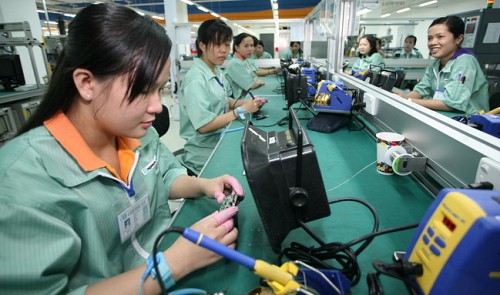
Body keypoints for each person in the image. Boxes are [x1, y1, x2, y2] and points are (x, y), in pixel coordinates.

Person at [0, 4, 245, 294]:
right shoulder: (21, 181)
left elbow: (164, 176)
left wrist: (204, 184)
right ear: (87, 83)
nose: (157, 106)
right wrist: (175, 263)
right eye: (143, 90)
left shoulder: (135, 132)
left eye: (160, 88)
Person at [179, 20, 264, 176]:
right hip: (204, 154)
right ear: (202, 46)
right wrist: (240, 110)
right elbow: (203, 126)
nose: (224, 50)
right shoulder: (196, 80)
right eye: (218, 45)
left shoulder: (216, 71)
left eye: (226, 44)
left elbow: (224, 101)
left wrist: (246, 103)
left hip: (220, 140)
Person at [393, 16, 489, 115]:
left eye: (440, 37)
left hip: (468, 122)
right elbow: (421, 89)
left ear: (458, 39)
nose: (433, 43)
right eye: (430, 38)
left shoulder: (465, 62)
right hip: (444, 117)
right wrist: (404, 98)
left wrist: (409, 101)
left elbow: (452, 103)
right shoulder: (436, 64)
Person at [224, 33, 266, 99]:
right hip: (232, 102)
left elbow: (255, 77)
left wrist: (256, 81)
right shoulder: (235, 63)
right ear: (237, 48)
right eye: (246, 46)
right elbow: (253, 85)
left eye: (252, 45)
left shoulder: (244, 61)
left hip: (240, 99)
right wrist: (256, 82)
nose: (250, 49)